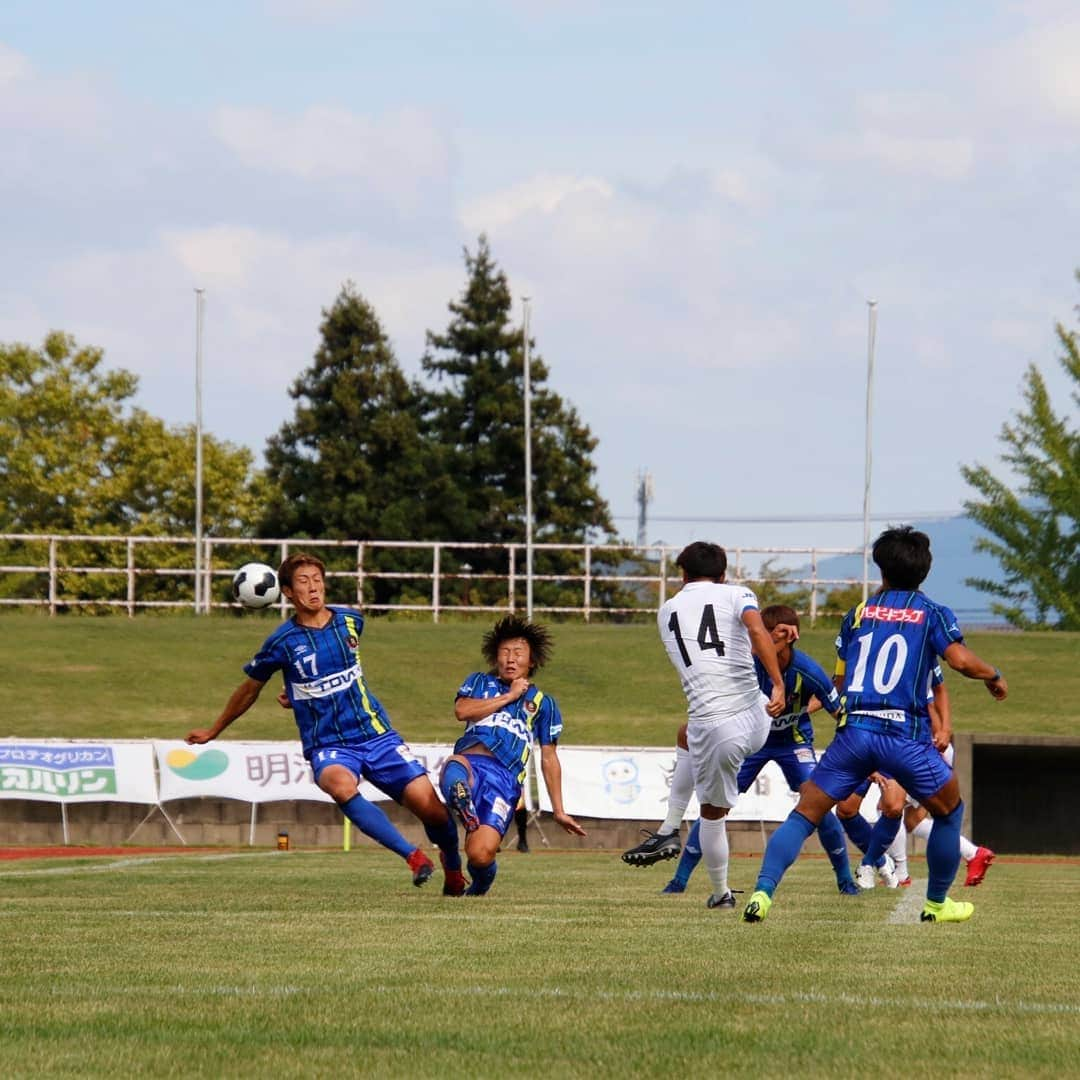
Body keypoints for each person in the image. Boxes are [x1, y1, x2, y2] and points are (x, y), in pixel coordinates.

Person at [742, 526, 1008, 925]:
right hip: (905, 735)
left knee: (805, 814)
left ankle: (762, 893)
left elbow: (841, 680)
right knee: (950, 811)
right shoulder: (932, 612)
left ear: (880, 568)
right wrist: (994, 676)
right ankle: (937, 903)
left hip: (855, 732)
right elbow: (960, 661)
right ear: (925, 571)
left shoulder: (858, 614)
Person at [186, 552, 466, 896]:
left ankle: (453, 867)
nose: (313, 587)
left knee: (432, 809)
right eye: (303, 582)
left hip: (376, 733)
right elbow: (250, 689)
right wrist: (215, 730)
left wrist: (297, 692)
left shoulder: (351, 621)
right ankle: (413, 857)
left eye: (317, 579)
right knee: (340, 786)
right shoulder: (281, 642)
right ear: (287, 592)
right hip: (328, 743)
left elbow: (332, 672)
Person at [653, 605, 860, 897]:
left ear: (788, 636)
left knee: (819, 803)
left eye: (767, 635)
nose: (757, 641)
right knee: (715, 805)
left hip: (794, 743)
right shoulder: (745, 666)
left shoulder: (808, 671)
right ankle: (679, 881)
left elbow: (839, 713)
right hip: (751, 742)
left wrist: (857, 756)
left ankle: (845, 880)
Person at [642, 542, 786, 910]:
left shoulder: (666, 611)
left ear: (683, 575)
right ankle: (668, 828)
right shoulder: (738, 593)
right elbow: (756, 632)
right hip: (758, 714)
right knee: (684, 734)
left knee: (712, 816)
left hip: (717, 728)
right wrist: (778, 683)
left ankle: (720, 892)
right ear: (723, 575)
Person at [439, 615, 586, 895]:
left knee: (480, 855)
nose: (510, 658)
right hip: (471, 762)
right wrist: (508, 697)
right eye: (504, 652)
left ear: (531, 661)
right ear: (495, 657)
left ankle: (479, 885)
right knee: (454, 769)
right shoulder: (479, 682)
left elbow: (549, 757)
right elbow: (462, 711)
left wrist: (558, 810)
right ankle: (463, 803)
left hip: (504, 780)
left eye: (518, 653)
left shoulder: (544, 703)